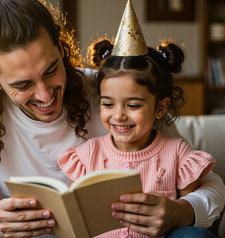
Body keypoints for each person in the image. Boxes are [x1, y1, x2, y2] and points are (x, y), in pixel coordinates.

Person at [0, 0, 225, 237]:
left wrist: (182, 211)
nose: (45, 95)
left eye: (50, 71)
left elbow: (209, 183)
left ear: (60, 48)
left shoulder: (111, 94)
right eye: (23, 85)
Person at [58, 37, 216, 238]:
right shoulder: (88, 154)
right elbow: (75, 222)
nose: (118, 115)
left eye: (132, 105)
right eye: (108, 104)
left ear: (160, 108)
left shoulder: (177, 152)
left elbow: (185, 219)